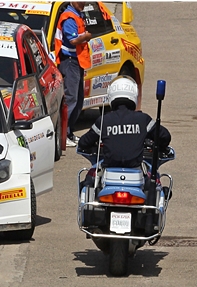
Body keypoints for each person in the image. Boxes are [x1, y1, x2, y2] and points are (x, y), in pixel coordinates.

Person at [77, 76, 171, 175]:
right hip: (136, 172)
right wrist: (160, 147)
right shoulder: (143, 119)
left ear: (111, 94)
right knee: (156, 183)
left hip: (109, 173)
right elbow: (165, 136)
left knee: (88, 182)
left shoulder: (104, 120)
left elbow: (83, 142)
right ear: (134, 94)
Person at [54, 1, 92, 146]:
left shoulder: (78, 15)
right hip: (69, 62)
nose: (83, 3)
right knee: (71, 99)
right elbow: (74, 39)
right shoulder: (69, 17)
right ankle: (63, 135)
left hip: (78, 62)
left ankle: (69, 132)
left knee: (79, 99)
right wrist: (87, 36)